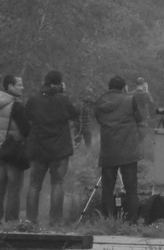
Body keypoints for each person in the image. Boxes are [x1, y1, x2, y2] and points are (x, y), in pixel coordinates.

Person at [24, 70, 80, 227]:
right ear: (58, 83)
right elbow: (76, 113)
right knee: (57, 183)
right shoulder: (63, 99)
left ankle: (30, 220)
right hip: (59, 149)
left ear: (45, 81)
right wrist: (63, 93)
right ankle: (55, 221)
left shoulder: (33, 99)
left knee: (34, 184)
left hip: (38, 148)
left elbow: (26, 117)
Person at [93, 76, 145, 224]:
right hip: (128, 150)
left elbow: (99, 119)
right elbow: (139, 119)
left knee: (107, 188)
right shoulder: (130, 100)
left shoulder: (100, 101)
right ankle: (132, 221)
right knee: (131, 187)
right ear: (124, 88)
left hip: (108, 150)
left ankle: (108, 220)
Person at [0, 74, 30, 223]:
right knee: (13, 188)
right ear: (10, 86)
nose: (22, 87)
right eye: (19, 84)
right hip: (12, 150)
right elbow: (26, 129)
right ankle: (11, 222)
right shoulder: (16, 105)